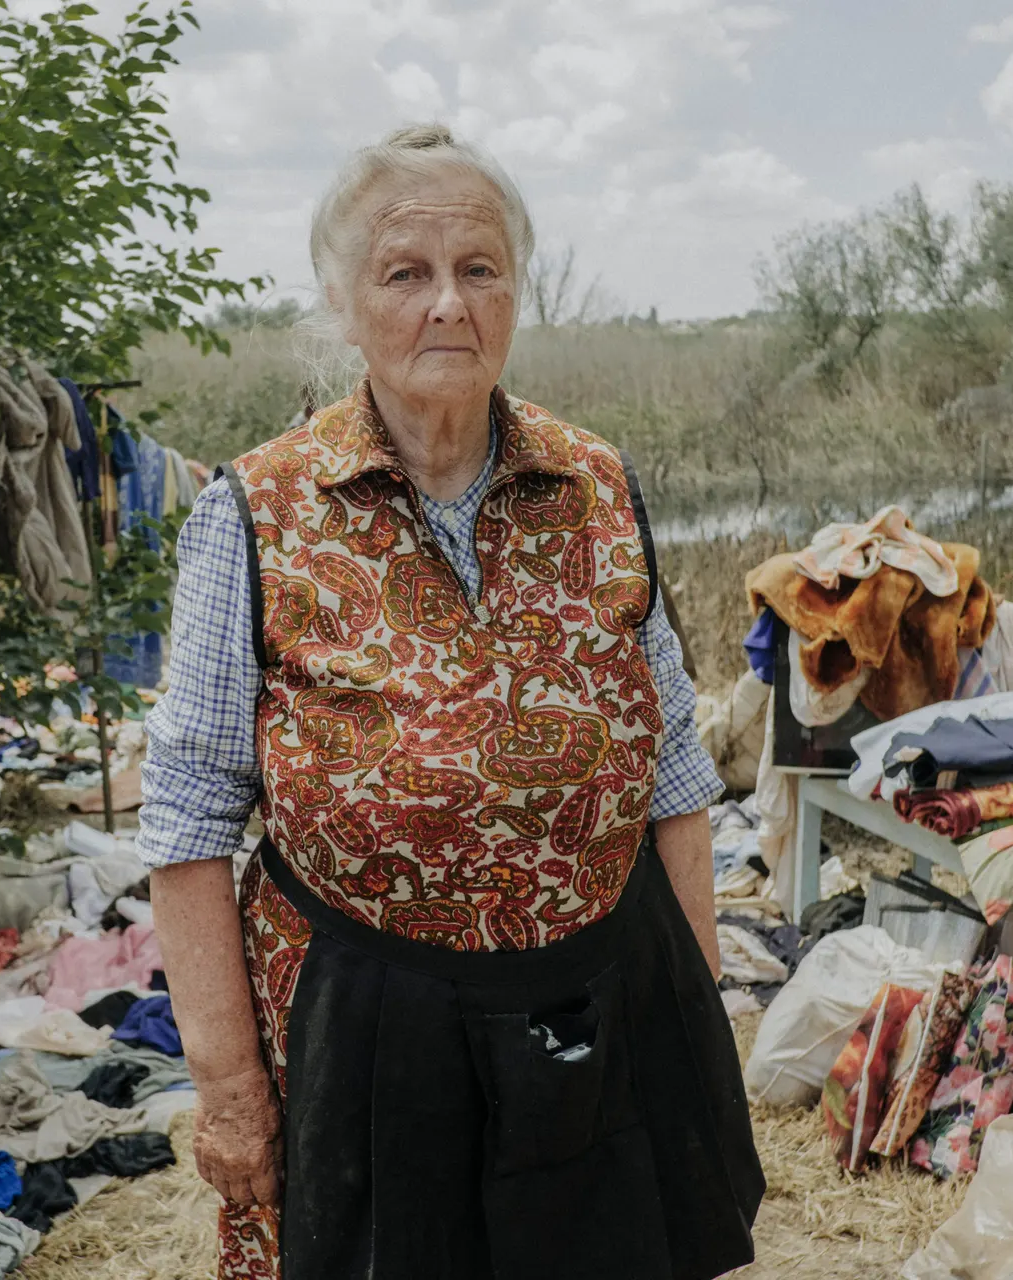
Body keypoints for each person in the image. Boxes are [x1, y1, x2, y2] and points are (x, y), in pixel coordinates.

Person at [140, 123, 764, 1280]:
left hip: (598, 1001)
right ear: (342, 303)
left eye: (480, 268)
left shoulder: (597, 485)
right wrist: (229, 1090)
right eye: (405, 272)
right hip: (370, 1031)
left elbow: (674, 764)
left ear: (517, 291)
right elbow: (187, 811)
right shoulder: (258, 513)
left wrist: (693, 997)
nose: (448, 303)